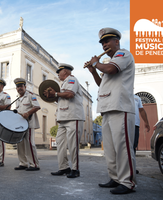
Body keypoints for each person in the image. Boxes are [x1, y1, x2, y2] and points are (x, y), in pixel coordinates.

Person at [85, 28, 136, 194]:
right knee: (110, 148)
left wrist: (95, 63)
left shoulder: (123, 55)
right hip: (107, 108)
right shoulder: (107, 62)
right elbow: (102, 84)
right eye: (102, 43)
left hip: (120, 106)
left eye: (107, 41)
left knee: (122, 147)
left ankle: (127, 182)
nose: (104, 45)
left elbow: (111, 70)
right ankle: (115, 178)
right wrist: (93, 71)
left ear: (117, 41)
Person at [43, 63, 85, 178]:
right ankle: (64, 167)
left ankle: (75, 169)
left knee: (73, 145)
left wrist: (55, 93)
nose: (57, 74)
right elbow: (60, 98)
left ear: (65, 72)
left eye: (59, 71)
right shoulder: (63, 85)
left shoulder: (72, 80)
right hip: (63, 118)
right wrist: (50, 95)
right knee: (60, 143)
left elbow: (70, 94)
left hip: (73, 117)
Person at [14, 78, 41, 171]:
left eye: (21, 86)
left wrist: (28, 113)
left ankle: (34, 165)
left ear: (25, 87)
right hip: (19, 125)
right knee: (20, 144)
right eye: (18, 87)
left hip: (28, 124)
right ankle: (23, 163)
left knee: (29, 144)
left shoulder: (30, 95)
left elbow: (37, 106)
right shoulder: (17, 99)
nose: (19, 88)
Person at [134, 94, 150, 174]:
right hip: (124, 124)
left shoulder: (137, 98)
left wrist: (146, 122)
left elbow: (141, 110)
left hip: (135, 125)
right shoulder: (121, 94)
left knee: (133, 146)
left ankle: (132, 167)